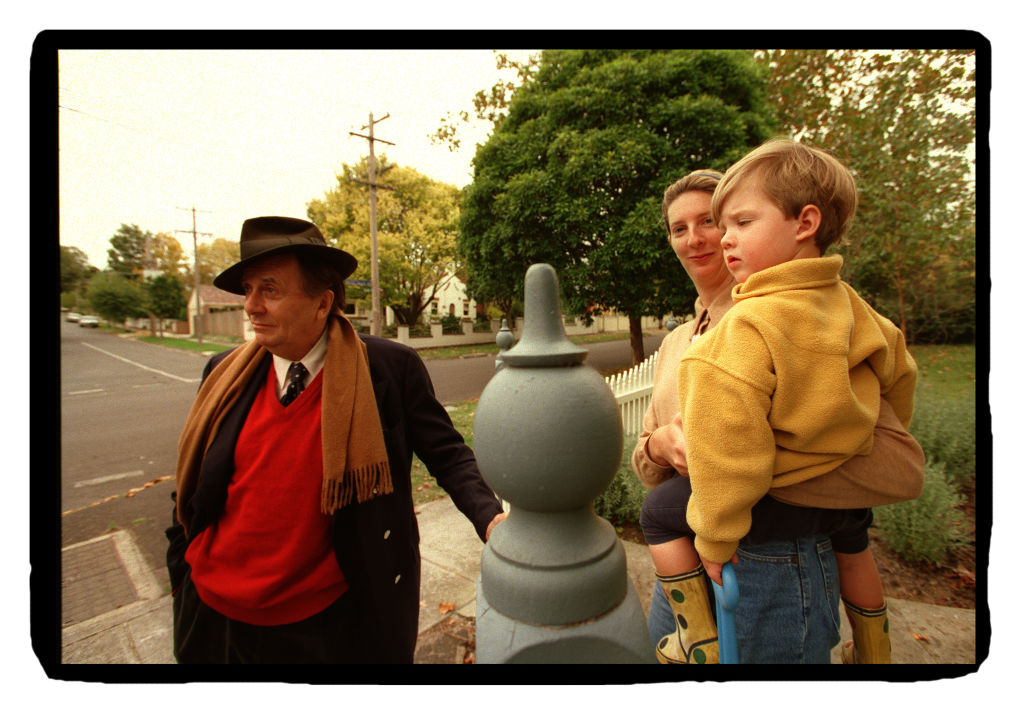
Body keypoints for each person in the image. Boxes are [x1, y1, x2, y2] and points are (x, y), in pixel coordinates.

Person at [166, 216, 506, 664]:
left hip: (330, 624)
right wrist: (180, 570)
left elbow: (448, 455)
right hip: (215, 616)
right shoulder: (222, 373)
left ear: (322, 303)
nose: (250, 306)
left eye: (269, 290)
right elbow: (192, 486)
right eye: (248, 290)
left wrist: (490, 519)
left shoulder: (388, 369)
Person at [634, 163, 924, 664]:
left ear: (801, 224)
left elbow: (890, 452)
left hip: (766, 563)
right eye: (680, 228)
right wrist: (660, 445)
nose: (708, 239)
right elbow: (645, 460)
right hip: (687, 566)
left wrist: (807, 454)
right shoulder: (678, 342)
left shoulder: (762, 321)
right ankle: (874, 649)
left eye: (721, 222)